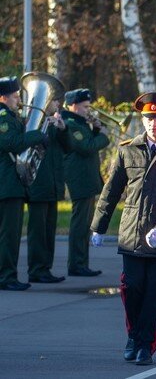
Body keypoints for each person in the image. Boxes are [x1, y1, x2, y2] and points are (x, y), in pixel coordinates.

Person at [90, 92, 156, 365]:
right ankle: (134, 336)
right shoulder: (128, 149)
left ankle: (145, 344)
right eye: (148, 118)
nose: (153, 123)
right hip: (132, 233)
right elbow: (111, 191)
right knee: (132, 288)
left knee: (153, 292)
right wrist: (99, 226)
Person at [0, 76, 47, 291]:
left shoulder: (11, 117)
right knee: (9, 235)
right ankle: (6, 277)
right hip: (7, 184)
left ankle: (8, 275)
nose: (19, 100)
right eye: (16, 96)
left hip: (12, 184)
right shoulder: (2, 118)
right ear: (3, 98)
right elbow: (13, 143)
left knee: (11, 234)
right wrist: (37, 134)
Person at [62, 88, 109, 276]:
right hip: (79, 178)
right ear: (73, 106)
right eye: (85, 107)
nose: (88, 110)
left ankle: (82, 263)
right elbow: (86, 147)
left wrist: (96, 129)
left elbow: (89, 142)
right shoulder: (70, 124)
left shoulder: (80, 123)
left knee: (85, 224)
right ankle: (76, 264)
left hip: (86, 177)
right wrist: (103, 135)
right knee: (80, 224)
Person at [27, 91, 70, 284]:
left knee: (49, 229)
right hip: (38, 183)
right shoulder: (34, 122)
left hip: (52, 183)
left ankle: (45, 268)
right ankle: (36, 269)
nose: (58, 103)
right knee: (38, 231)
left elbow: (68, 148)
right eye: (54, 100)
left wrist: (62, 129)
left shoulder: (53, 124)